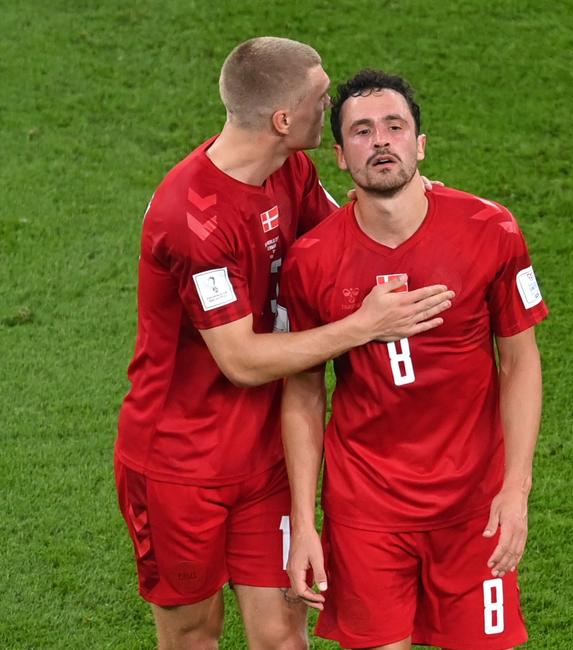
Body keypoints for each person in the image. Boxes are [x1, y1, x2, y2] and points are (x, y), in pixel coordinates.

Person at [114, 41, 453, 650]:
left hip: (265, 454)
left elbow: (340, 236)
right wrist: (365, 326)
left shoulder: (287, 171)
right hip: (180, 467)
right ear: (282, 120)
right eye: (321, 100)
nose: (331, 107)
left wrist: (416, 202)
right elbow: (241, 360)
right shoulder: (192, 218)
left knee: (282, 637)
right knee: (195, 633)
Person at [281, 69, 548, 650]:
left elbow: (520, 363)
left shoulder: (490, 228)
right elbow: (303, 387)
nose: (380, 140)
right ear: (340, 157)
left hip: (474, 505)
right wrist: (305, 521)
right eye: (361, 131)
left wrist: (516, 490)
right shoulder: (313, 260)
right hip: (366, 509)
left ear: (419, 144)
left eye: (395, 126)